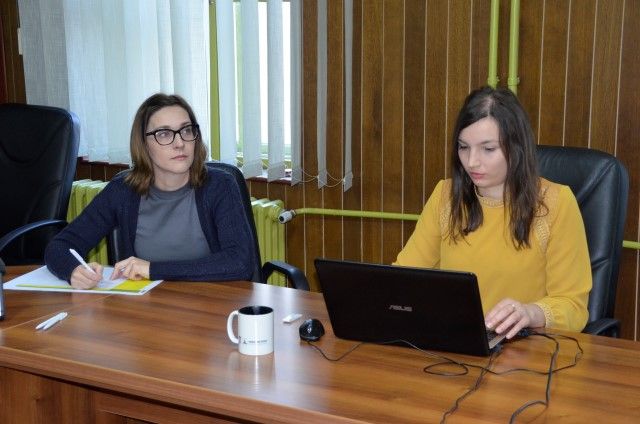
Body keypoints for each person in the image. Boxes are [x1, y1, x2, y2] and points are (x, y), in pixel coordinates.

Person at [395, 86, 591, 338]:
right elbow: (404, 278)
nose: (472, 162)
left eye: (488, 149)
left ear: (516, 147)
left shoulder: (556, 203)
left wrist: (531, 313)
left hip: (524, 346)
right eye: (463, 147)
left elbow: (573, 307)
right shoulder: (446, 196)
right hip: (453, 340)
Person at [45, 93, 255, 288]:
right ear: (143, 144)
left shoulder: (219, 186)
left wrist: (152, 269)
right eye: (164, 134)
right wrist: (74, 270)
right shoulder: (123, 191)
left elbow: (240, 262)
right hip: (148, 308)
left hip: (211, 305)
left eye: (186, 130)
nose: (180, 143)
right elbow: (60, 246)